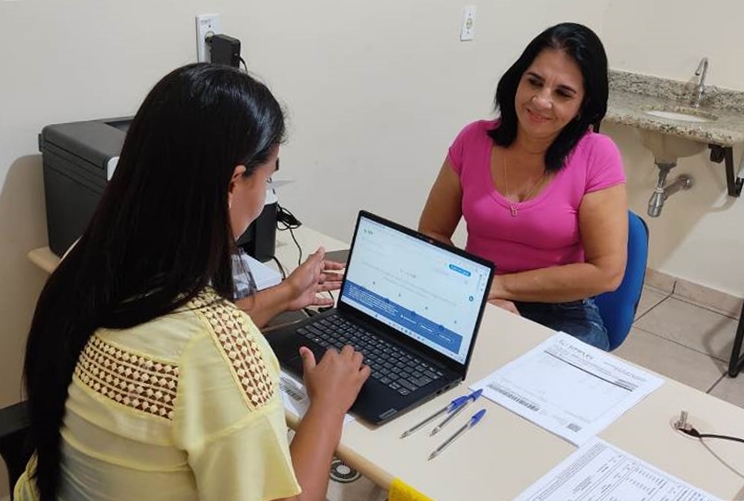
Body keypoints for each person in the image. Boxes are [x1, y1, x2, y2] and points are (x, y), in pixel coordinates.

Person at [17, 63, 369, 501]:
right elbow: (202, 349)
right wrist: (329, 406)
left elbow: (169, 330)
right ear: (234, 182)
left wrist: (284, 294)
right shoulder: (219, 348)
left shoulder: (88, 263)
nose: (266, 194)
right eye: (269, 177)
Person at [419, 22, 627, 350]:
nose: (541, 101)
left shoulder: (597, 155)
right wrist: (477, 291)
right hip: (477, 295)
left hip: (563, 312)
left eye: (563, 93)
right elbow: (432, 231)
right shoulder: (473, 139)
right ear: (517, 79)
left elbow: (606, 272)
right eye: (534, 81)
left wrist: (498, 286)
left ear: (583, 107)